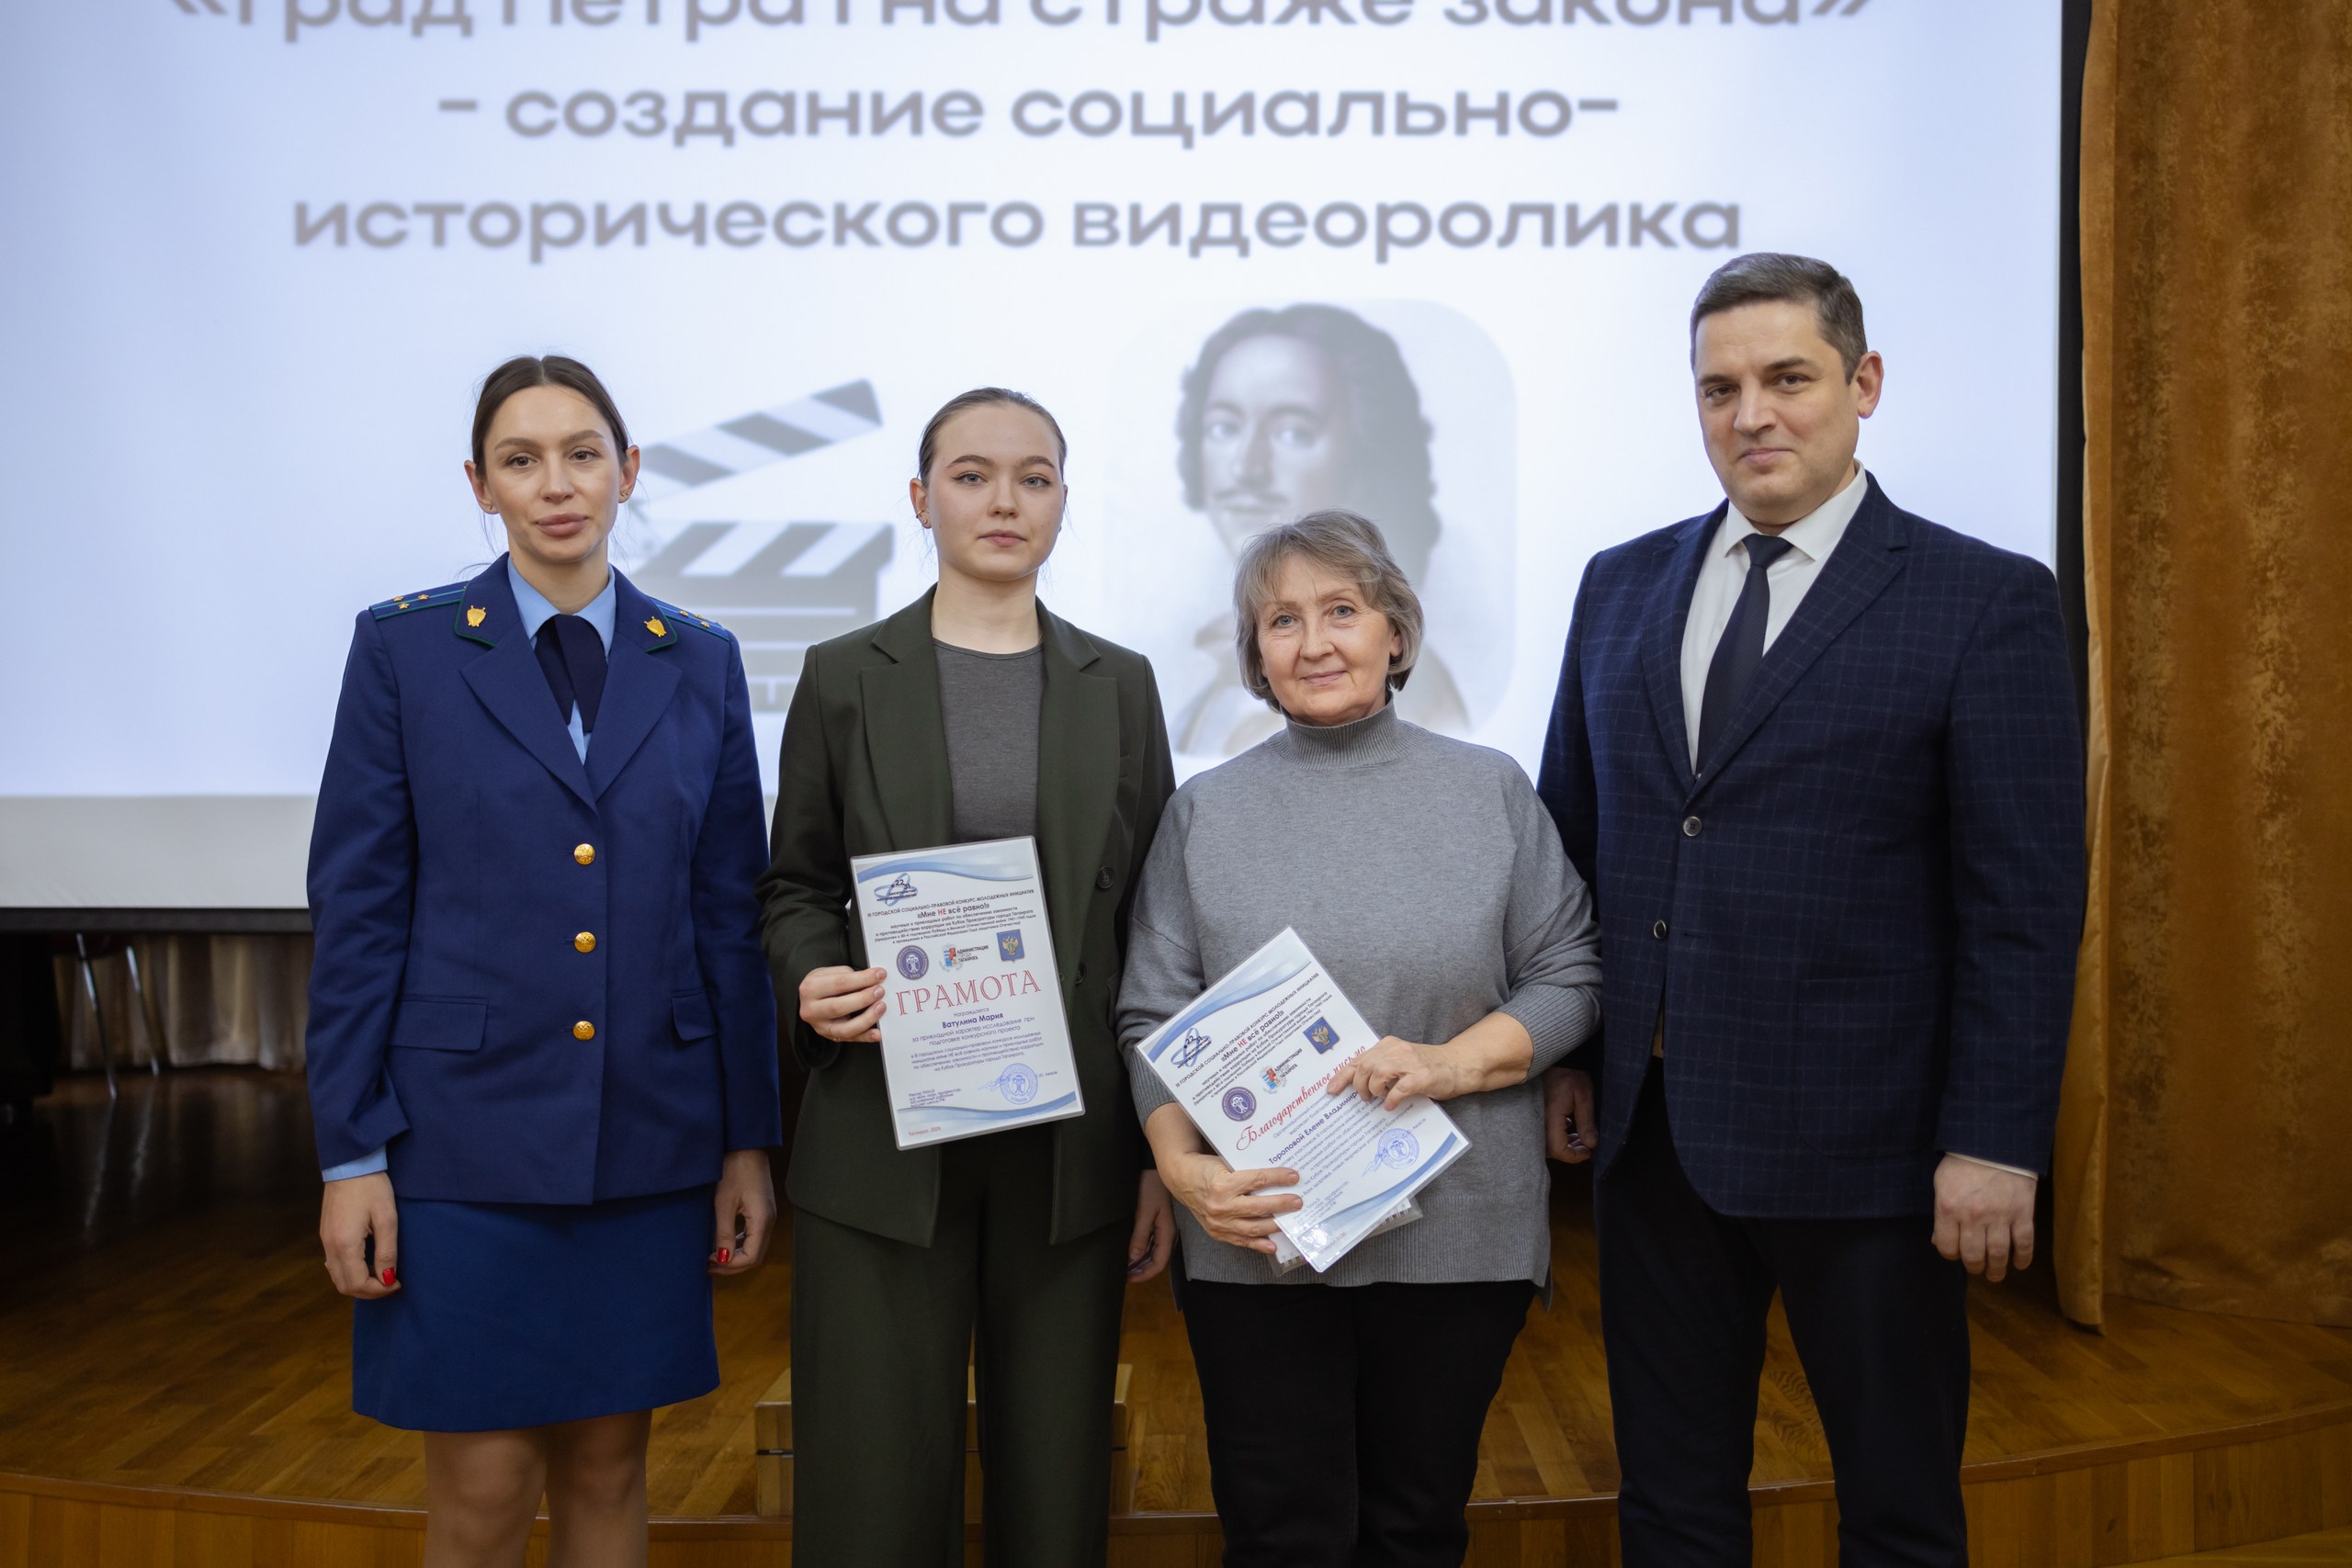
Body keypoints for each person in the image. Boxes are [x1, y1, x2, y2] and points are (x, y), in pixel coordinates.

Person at [1535, 253, 2084, 1567]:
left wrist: (1995, 1141)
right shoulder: (1618, 583)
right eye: (1718, 388)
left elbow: (2020, 904)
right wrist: (1571, 1052)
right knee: (1671, 1508)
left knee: (1897, 1513)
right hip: (1655, 1143)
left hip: (1874, 1154)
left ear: (1864, 382)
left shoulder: (1984, 599)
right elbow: (1572, 844)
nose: (1752, 415)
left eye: (1787, 378)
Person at [307, 354, 782, 1567]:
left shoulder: (700, 657)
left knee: (609, 1470)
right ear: (482, 485)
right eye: (520, 460)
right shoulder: (405, 649)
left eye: (582, 454)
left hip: (650, 1139)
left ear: (629, 470)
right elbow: (359, 909)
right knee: (482, 1491)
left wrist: (745, 1138)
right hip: (460, 1144)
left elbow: (726, 915)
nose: (556, 484)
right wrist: (351, 1152)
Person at [1118, 510, 1602, 1568]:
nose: (1313, 642)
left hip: (1458, 1233)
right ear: (1255, 657)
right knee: (1278, 1536)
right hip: (1258, 1237)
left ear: (1396, 633)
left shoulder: (1489, 790)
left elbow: (1570, 976)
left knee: (1412, 1530)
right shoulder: (1204, 813)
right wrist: (1180, 1169)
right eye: (1281, 620)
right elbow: (1150, 1013)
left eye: (1341, 610)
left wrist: (1447, 1065)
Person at [758, 388, 1180, 1568]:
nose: (1004, 500)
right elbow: (793, 885)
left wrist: (1159, 1146)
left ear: (1063, 502)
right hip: (882, 1128)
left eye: (1033, 477)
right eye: (971, 474)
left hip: (1070, 1145)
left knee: (1054, 1491)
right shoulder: (843, 675)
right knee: (872, 1491)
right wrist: (813, 977)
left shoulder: (1121, 682)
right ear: (919, 497)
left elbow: (1154, 926)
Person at [1171, 305, 1471, 753]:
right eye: (1224, 428)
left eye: (1293, 433)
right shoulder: (1203, 752)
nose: (1246, 468)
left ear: (1366, 451)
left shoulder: (1468, 759)